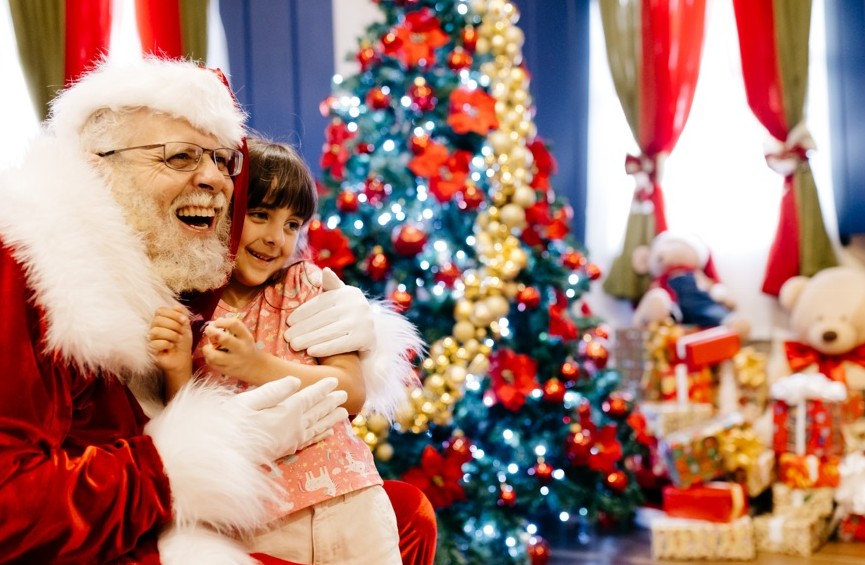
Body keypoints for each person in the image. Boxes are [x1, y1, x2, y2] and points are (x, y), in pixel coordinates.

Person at [0, 57, 422, 564]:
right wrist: (184, 460)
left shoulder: (165, 253)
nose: (214, 180)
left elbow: (258, 289)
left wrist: (363, 330)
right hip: (123, 538)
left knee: (407, 514)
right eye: (179, 157)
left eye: (223, 160)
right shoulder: (33, 265)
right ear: (99, 166)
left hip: (197, 514)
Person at [151, 137, 404, 564]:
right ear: (225, 212)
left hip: (350, 501)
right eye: (261, 215)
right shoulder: (191, 308)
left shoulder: (304, 285)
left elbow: (351, 392)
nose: (275, 238)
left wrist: (258, 365)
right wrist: (177, 369)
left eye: (292, 225)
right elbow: (193, 430)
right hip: (259, 524)